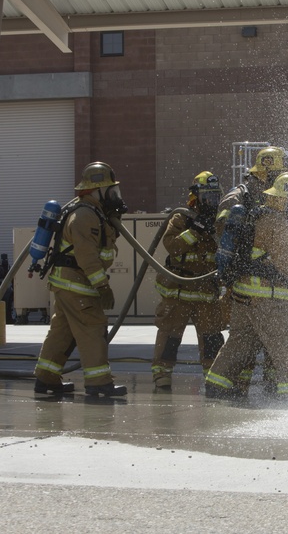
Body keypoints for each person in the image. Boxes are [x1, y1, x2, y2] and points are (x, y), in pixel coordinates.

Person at [205, 172, 288, 400]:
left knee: (238, 345)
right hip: (269, 301)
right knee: (285, 351)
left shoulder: (256, 215)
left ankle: (216, 386)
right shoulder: (277, 222)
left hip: (243, 297)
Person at [34, 162, 127, 398]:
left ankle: (46, 379)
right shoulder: (85, 215)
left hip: (68, 285)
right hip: (79, 287)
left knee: (62, 333)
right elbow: (88, 257)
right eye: (111, 192)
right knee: (92, 329)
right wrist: (102, 286)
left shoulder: (91, 213)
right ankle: (99, 384)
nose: (115, 197)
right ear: (96, 191)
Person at [214, 146, 288, 392]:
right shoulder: (239, 197)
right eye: (278, 174)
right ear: (265, 173)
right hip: (244, 282)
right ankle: (235, 390)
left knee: (257, 341)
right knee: (248, 342)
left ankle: (265, 388)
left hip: (264, 284)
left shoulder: (269, 195)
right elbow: (225, 235)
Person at [150, 171, 225, 392]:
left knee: (211, 338)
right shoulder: (181, 218)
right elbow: (172, 246)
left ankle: (213, 378)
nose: (211, 202)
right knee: (170, 336)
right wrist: (194, 231)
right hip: (178, 292)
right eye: (207, 197)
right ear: (195, 197)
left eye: (215, 197)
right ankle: (162, 376)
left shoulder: (219, 222)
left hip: (206, 293)